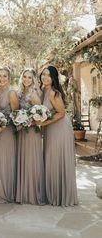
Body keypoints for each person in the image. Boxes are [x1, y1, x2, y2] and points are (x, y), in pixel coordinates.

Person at [37, 65, 78, 206]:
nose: (45, 77)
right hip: (50, 128)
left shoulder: (54, 93)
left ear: (53, 78)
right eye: (43, 74)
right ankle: (53, 194)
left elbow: (61, 113)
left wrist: (43, 123)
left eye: (48, 75)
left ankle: (61, 196)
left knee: (57, 159)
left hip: (60, 129)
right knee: (51, 159)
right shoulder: (42, 91)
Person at [16, 68, 45, 205]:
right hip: (22, 132)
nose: (26, 79)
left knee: (31, 160)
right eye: (24, 77)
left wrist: (29, 121)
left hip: (32, 132)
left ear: (33, 80)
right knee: (24, 160)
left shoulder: (33, 94)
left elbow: (41, 116)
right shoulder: (21, 93)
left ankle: (33, 194)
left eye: (29, 77)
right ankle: (24, 193)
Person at [0, 67, 19, 203]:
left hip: (7, 132)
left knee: (7, 161)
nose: (2, 79)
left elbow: (15, 115)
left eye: (5, 76)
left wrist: (3, 126)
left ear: (9, 78)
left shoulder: (11, 93)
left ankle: (7, 193)